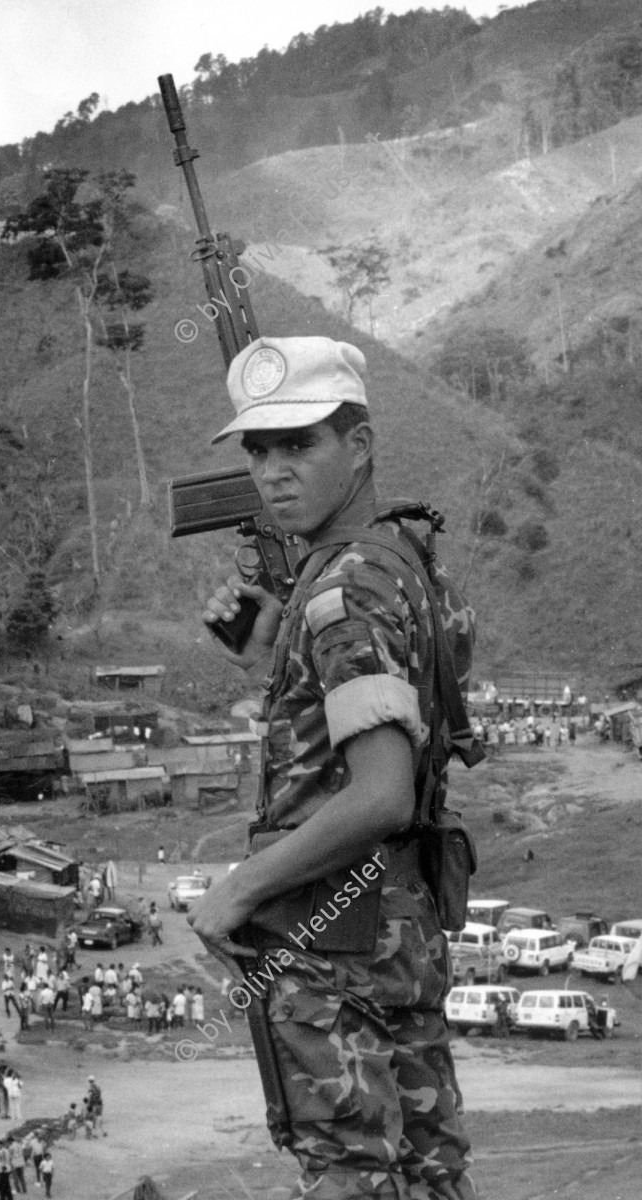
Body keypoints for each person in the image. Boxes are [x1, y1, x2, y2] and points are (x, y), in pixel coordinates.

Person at [192, 336, 477, 1200]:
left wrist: (240, 889)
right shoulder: (403, 562)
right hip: (402, 932)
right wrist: (273, 649)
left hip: (330, 947)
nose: (274, 472)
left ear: (359, 446)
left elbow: (383, 792)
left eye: (301, 444)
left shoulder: (344, 591)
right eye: (259, 450)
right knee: (431, 1173)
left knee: (351, 1178)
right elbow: (398, 717)